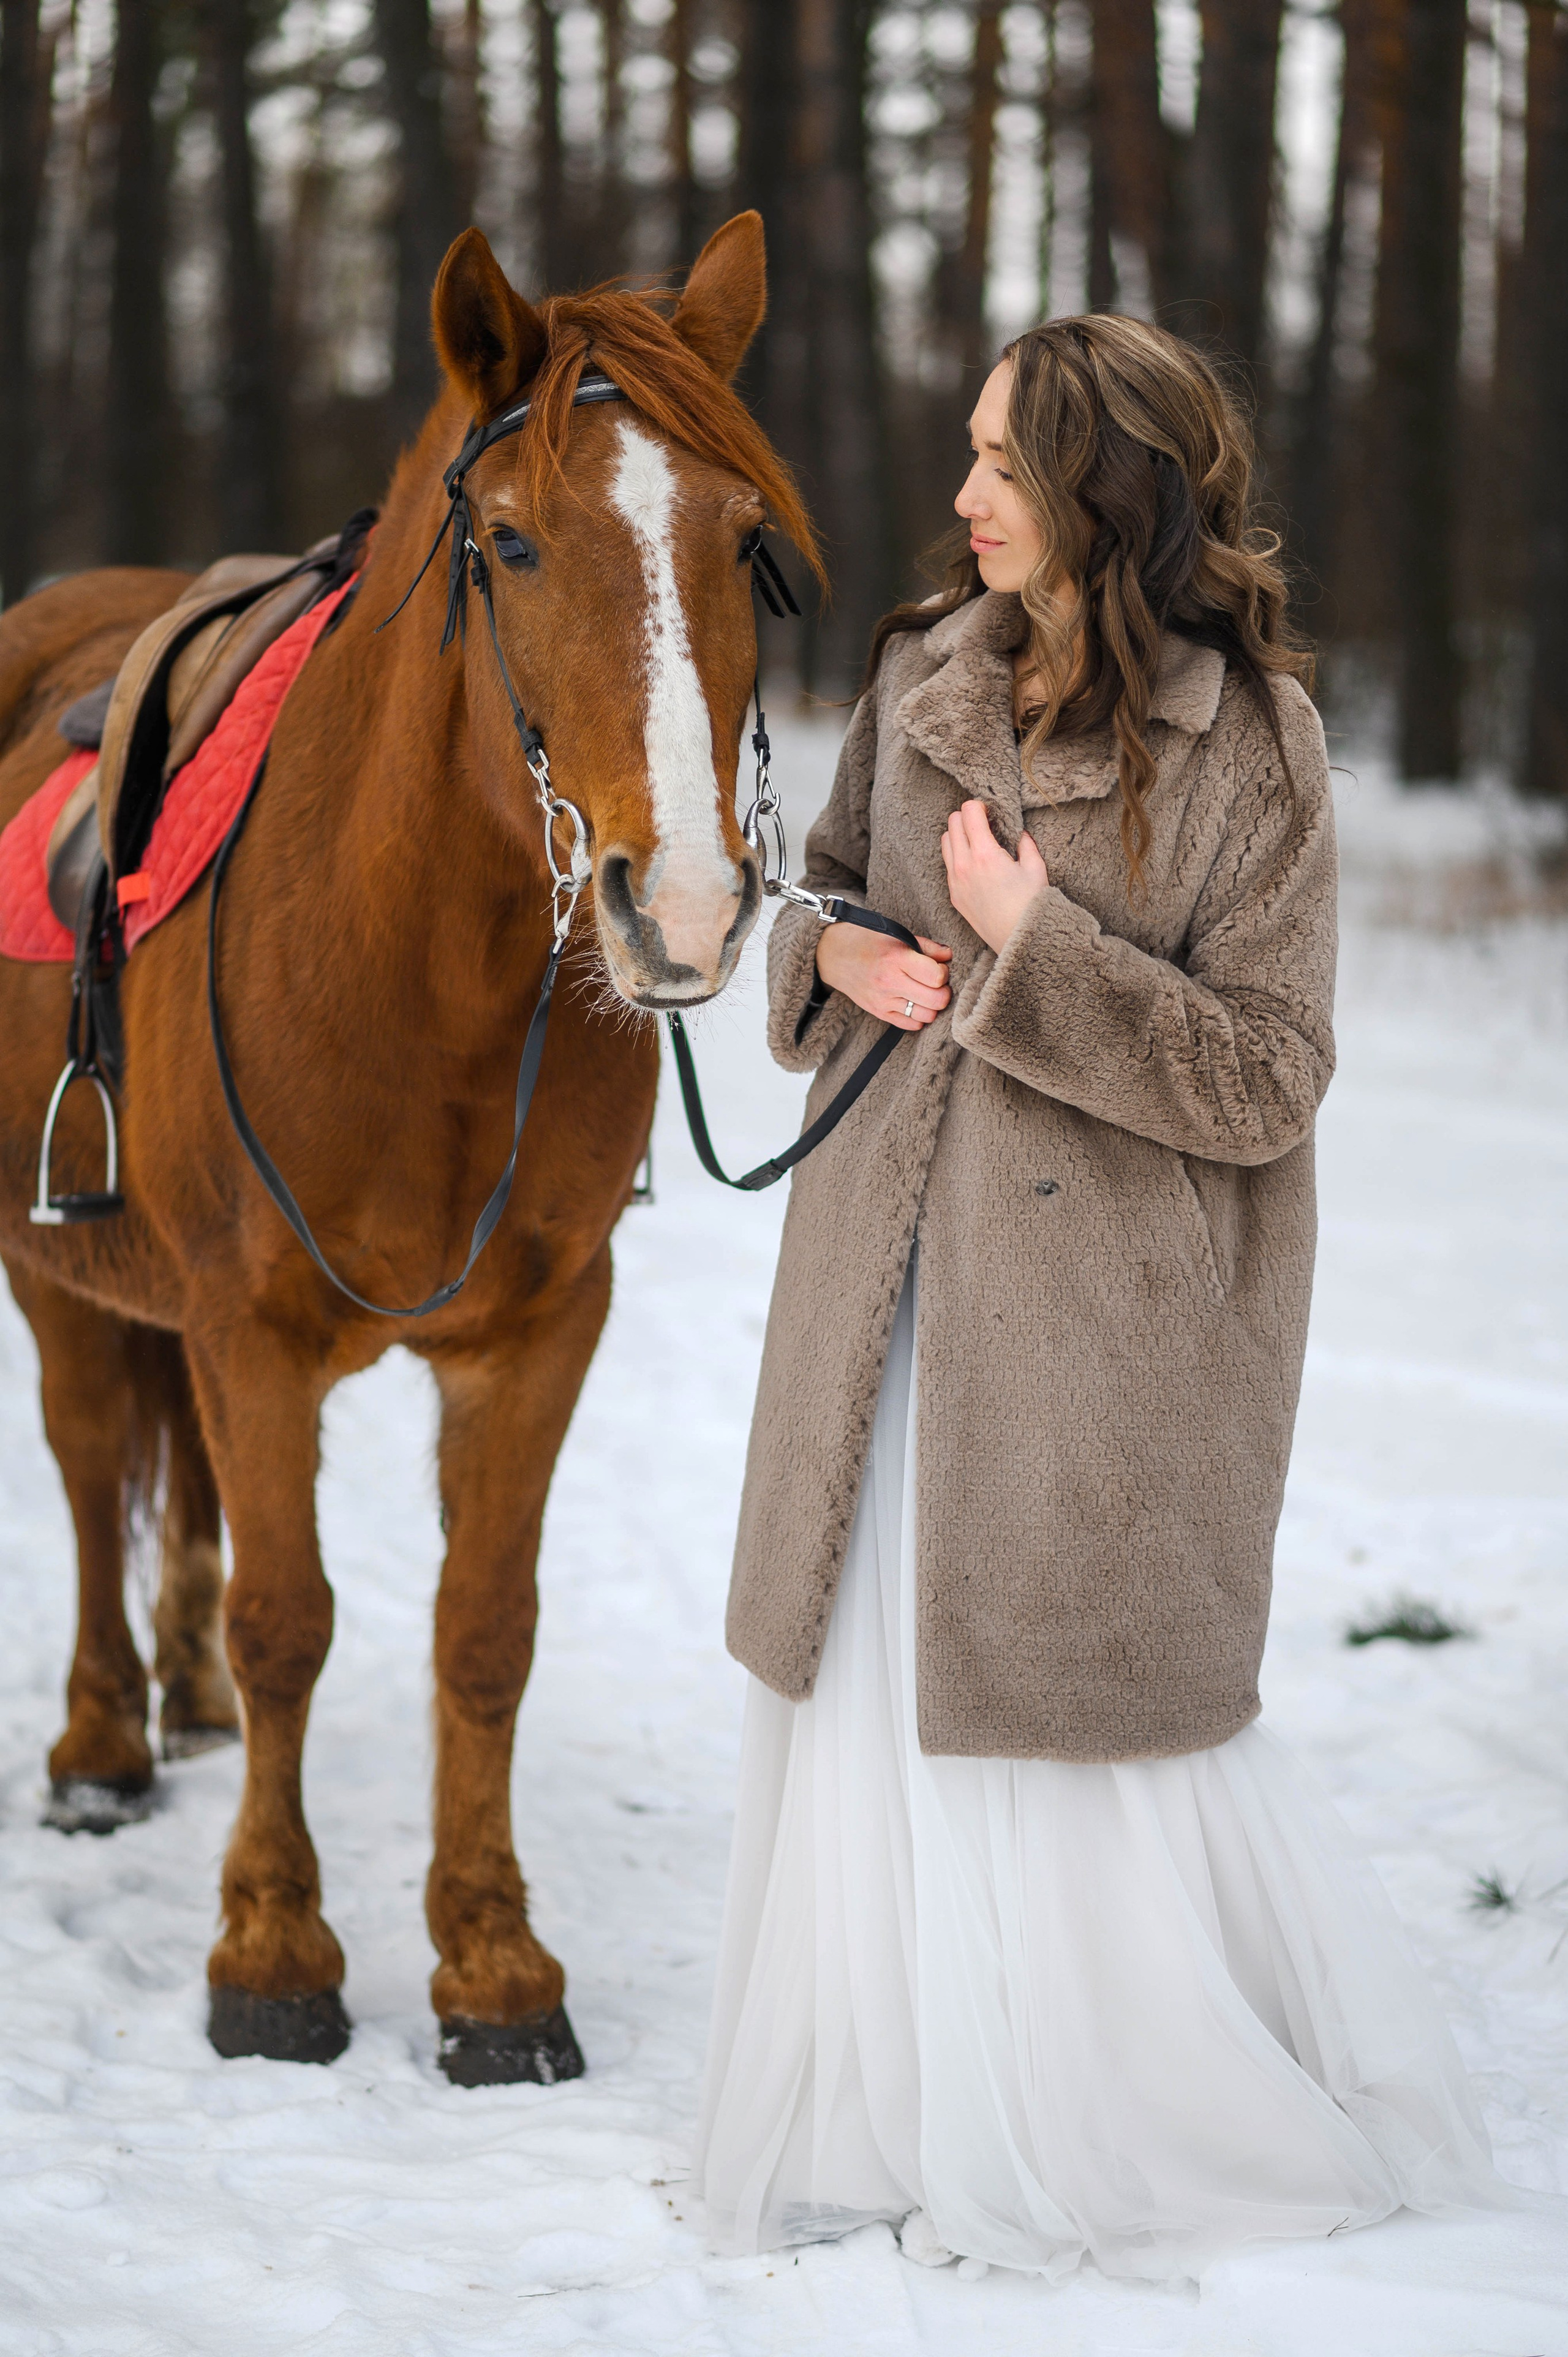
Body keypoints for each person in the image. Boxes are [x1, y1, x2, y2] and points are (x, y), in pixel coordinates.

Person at [692, 314, 1507, 2283]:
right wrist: (849, 971)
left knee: (1065, 1710)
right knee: (881, 1695)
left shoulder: (1266, 747)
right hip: (887, 1319)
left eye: (1005, 465)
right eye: (969, 454)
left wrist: (1029, 949)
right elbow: (807, 904)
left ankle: (1100, 2119)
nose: (962, 495)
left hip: (1100, 1353)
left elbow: (1267, 1077)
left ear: (1108, 497)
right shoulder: (917, 676)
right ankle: (896, 2107)